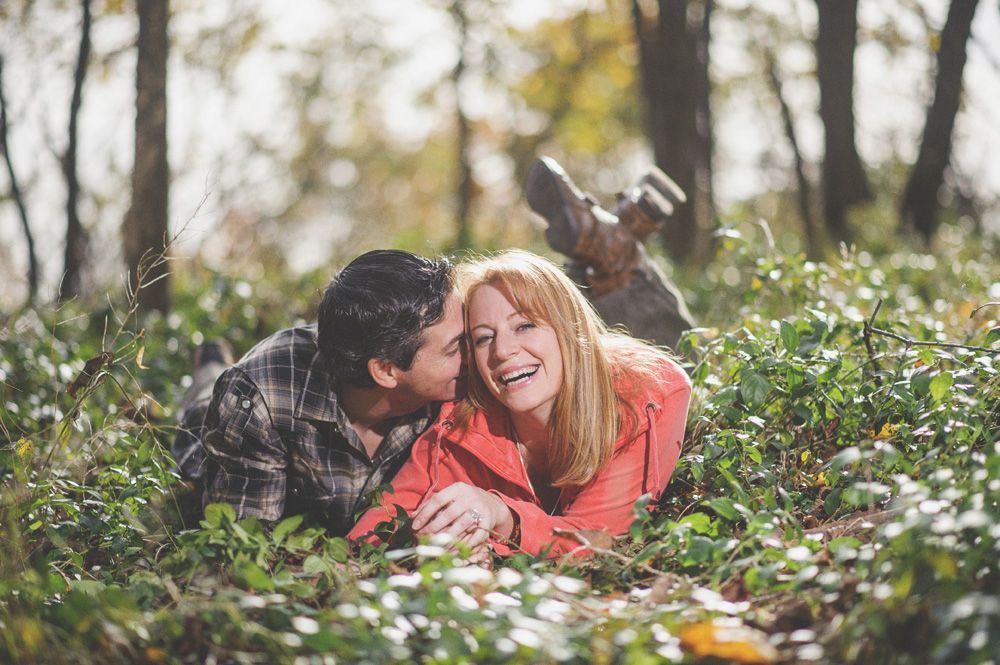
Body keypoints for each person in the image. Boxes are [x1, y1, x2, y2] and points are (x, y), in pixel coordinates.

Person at [348, 251, 692, 558]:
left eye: (524, 326)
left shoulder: (649, 396)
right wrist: (435, 545)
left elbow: (598, 539)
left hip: (656, 352)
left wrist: (502, 517)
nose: (502, 351)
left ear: (568, 328)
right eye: (483, 338)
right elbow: (371, 537)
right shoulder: (462, 422)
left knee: (678, 333)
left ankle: (618, 255)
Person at [171, 250, 465, 535]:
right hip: (228, 417)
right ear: (386, 370)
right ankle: (210, 363)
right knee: (203, 409)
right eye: (455, 348)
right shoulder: (259, 395)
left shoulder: (457, 387)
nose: (476, 356)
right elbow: (246, 541)